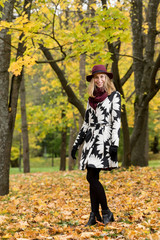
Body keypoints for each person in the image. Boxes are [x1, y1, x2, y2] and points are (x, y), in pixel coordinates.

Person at [71, 64, 121, 226]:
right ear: (93, 80)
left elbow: (116, 122)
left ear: (106, 78)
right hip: (91, 141)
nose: (99, 80)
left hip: (104, 141)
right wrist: (76, 143)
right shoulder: (91, 99)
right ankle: (95, 215)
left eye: (102, 77)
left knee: (91, 177)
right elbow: (86, 124)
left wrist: (114, 145)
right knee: (93, 177)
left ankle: (105, 211)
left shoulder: (114, 96)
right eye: (96, 77)